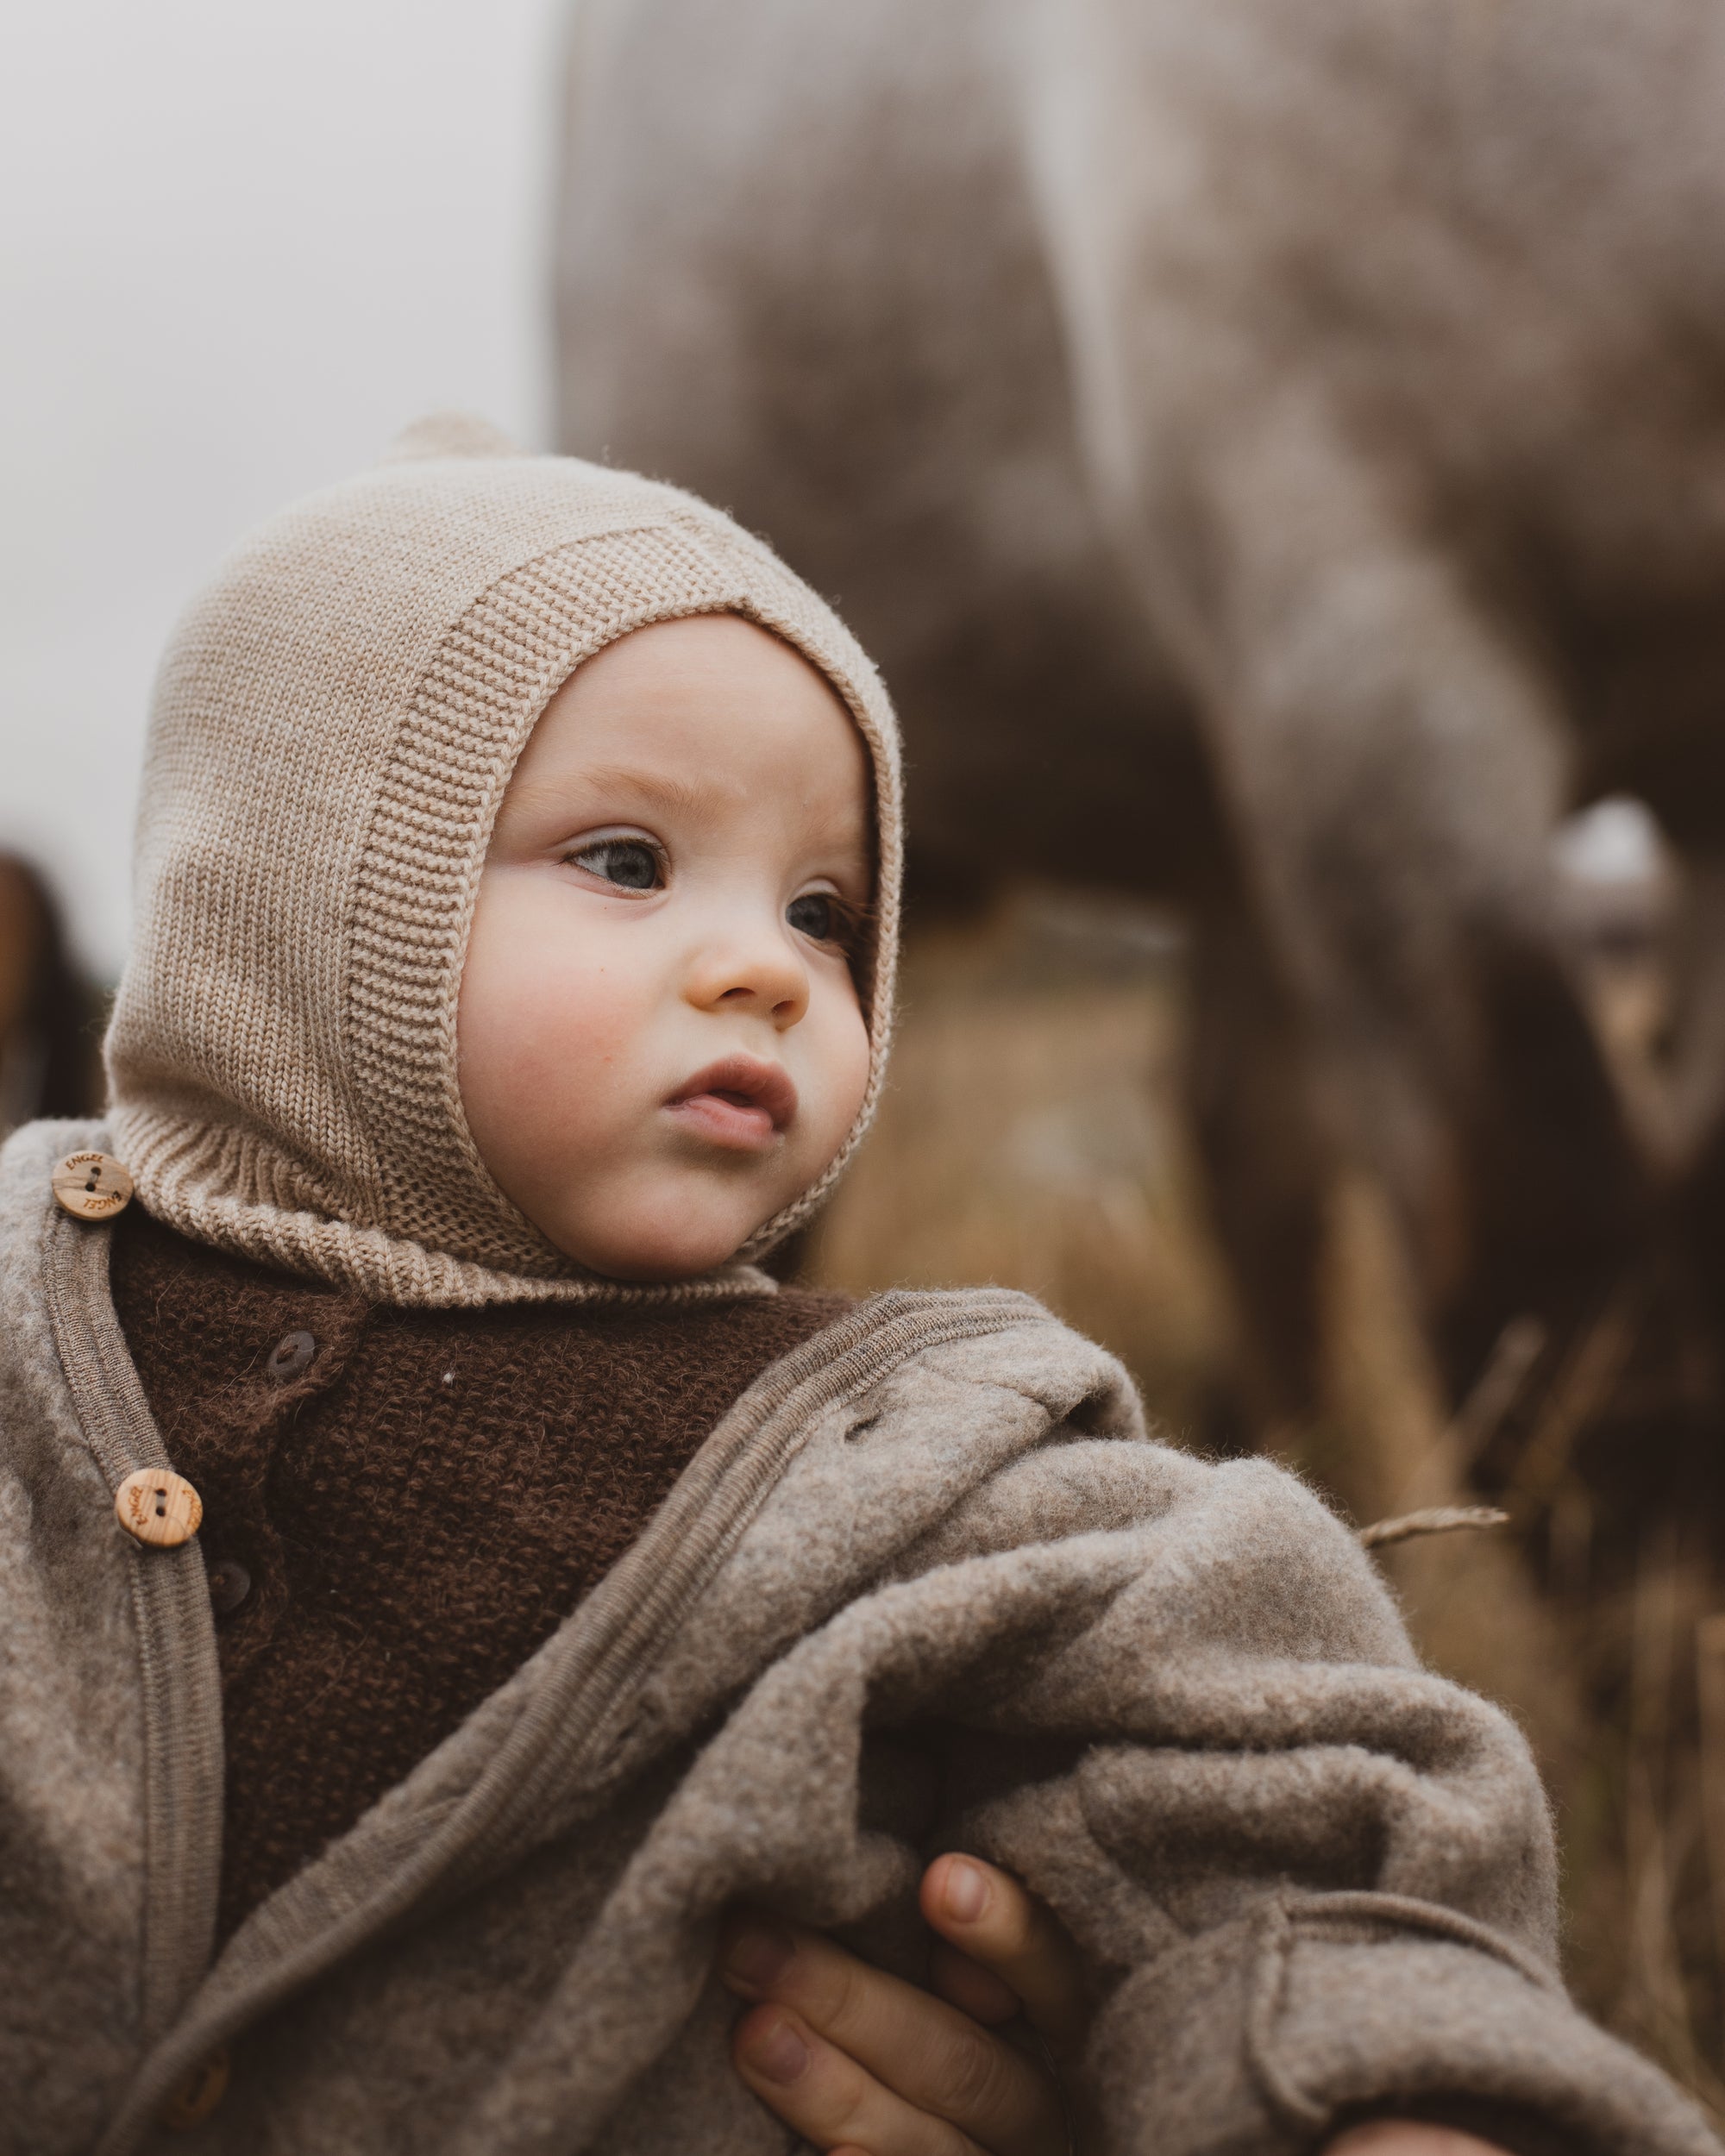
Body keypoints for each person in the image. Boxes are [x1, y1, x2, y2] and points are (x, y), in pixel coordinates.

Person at [0, 417, 1711, 2156]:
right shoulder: (23, 1310)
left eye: (823, 910)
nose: (766, 968)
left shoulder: (913, 1446)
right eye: (627, 861)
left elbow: (1281, 1794)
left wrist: (1383, 2083)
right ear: (292, 896)